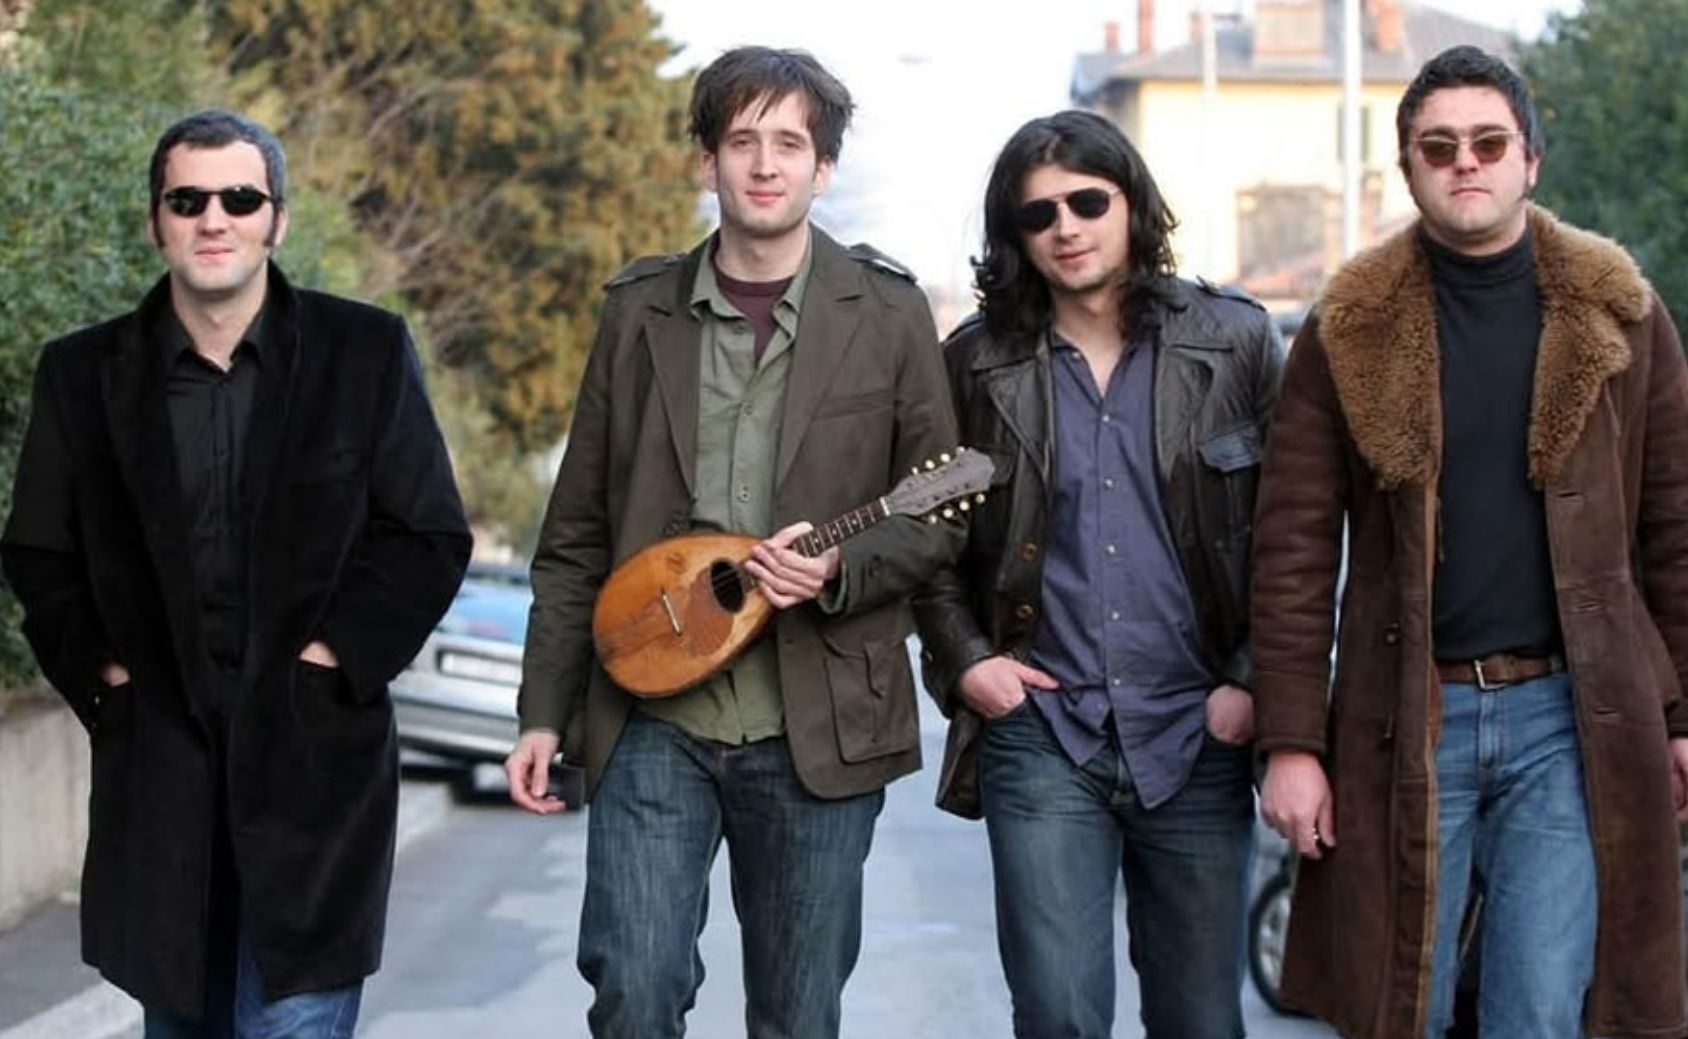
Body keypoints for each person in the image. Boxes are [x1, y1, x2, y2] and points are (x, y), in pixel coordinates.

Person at [503, 46, 962, 1039]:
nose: (763, 163)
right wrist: (542, 711)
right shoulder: (638, 312)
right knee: (632, 990)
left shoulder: (887, 313)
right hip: (648, 711)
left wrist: (839, 568)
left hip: (817, 720)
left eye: (788, 143)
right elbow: (575, 533)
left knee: (796, 1015)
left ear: (822, 168)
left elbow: (936, 511)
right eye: (742, 140)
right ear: (705, 160)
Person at [0, 109, 471, 1038]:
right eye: (187, 200)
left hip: (313, 772)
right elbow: (40, 552)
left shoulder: (364, 352)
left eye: (239, 198)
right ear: (157, 222)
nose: (213, 218)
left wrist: (336, 655)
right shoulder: (82, 373)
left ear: (276, 220)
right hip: (160, 776)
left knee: (293, 1020)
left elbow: (425, 534)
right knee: (179, 1021)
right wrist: (102, 673)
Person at [1253, 45, 1688, 1039]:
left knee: (1537, 1010)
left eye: (1488, 143)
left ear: (1529, 159)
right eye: (1438, 146)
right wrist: (1291, 742)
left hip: (1570, 719)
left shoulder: (1619, 312)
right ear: (1407, 168)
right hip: (1406, 716)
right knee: (1394, 1008)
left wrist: (1680, 714)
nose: (1465, 163)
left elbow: (1674, 527)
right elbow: (1291, 552)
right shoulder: (1349, 327)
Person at [913, 109, 1283, 1039]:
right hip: (1044, 733)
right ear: (1014, 234)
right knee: (1058, 1015)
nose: (1066, 228)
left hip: (1198, 732)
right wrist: (968, 662)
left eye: (1087, 202)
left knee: (1201, 1022)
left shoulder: (1234, 342)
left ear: (1131, 205)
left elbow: (1295, 537)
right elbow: (928, 541)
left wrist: (1250, 680)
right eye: (1038, 214)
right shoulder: (975, 364)